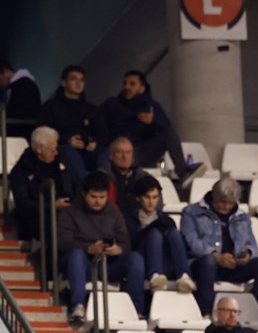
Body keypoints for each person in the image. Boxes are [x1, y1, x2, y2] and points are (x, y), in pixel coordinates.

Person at [57, 171, 144, 322]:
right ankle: (78, 305)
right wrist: (89, 248)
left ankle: (136, 309)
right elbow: (64, 243)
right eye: (94, 197)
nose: (98, 201)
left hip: (108, 264)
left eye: (102, 197)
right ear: (84, 194)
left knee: (135, 258)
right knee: (76, 255)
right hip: (82, 265)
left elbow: (126, 241)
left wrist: (118, 249)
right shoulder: (69, 213)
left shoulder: (114, 213)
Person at [180, 177, 258, 318]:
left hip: (234, 265)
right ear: (213, 196)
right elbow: (192, 242)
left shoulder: (242, 217)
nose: (226, 207)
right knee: (208, 262)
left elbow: (252, 244)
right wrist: (216, 255)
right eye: (222, 202)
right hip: (204, 266)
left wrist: (247, 253)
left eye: (230, 203)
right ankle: (205, 312)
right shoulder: (191, 212)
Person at [97, 70, 205, 189]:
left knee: (168, 132)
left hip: (141, 152)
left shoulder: (152, 107)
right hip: (116, 150)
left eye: (132, 84)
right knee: (104, 157)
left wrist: (153, 121)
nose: (127, 87)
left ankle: (183, 172)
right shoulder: (111, 104)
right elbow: (99, 126)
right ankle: (103, 190)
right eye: (125, 83)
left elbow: (167, 130)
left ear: (142, 88)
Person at [7, 126, 79, 241]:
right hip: (39, 218)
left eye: (56, 148)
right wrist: (51, 206)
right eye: (52, 149)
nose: (56, 153)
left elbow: (77, 184)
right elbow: (23, 204)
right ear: (39, 149)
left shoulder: (61, 160)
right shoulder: (21, 171)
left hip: (68, 212)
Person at [126, 175, 195, 294]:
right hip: (142, 262)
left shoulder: (166, 220)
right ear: (138, 198)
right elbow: (132, 244)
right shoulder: (129, 219)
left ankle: (184, 276)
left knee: (174, 233)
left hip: (166, 261)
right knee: (154, 234)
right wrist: (154, 227)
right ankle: (155, 276)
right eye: (147, 197)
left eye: (155, 197)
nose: (151, 202)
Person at [37, 65, 105, 178]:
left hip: (88, 151)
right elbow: (43, 134)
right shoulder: (50, 107)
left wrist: (95, 142)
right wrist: (66, 140)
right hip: (61, 150)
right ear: (63, 83)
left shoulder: (92, 109)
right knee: (69, 152)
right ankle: (85, 188)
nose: (78, 83)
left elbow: (103, 133)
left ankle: (106, 189)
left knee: (107, 152)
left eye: (81, 80)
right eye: (73, 79)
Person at [0, 58, 41, 123]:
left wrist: (0, 116)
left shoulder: (24, 85)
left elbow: (22, 112)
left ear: (6, 71)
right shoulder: (14, 86)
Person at [105, 137, 148, 216]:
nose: (124, 157)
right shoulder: (103, 177)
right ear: (111, 156)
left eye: (128, 152)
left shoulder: (143, 177)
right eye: (119, 152)